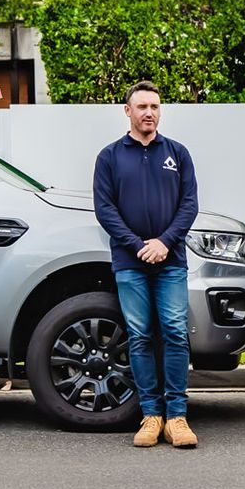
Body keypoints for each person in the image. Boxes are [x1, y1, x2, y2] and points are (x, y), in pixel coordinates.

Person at [93, 80, 200, 448]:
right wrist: (139, 246)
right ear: (128, 111)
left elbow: (189, 205)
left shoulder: (178, 153)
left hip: (171, 261)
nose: (149, 113)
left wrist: (164, 243)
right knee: (138, 336)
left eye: (154, 106)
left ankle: (177, 417)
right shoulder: (109, 157)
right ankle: (151, 416)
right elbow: (105, 209)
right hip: (130, 261)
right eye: (142, 107)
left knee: (173, 330)